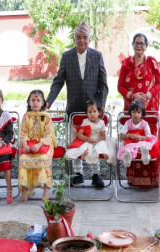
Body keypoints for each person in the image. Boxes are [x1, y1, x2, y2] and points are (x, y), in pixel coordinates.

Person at [46, 21, 109, 187]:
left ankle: (96, 174)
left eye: (85, 37)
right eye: (79, 37)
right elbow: (59, 80)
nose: (82, 40)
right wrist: (49, 101)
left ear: (89, 39)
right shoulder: (67, 56)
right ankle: (78, 173)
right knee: (75, 141)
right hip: (74, 107)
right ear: (74, 39)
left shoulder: (97, 55)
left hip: (92, 109)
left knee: (94, 139)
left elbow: (103, 83)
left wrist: (101, 103)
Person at [65, 99, 115, 187]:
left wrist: (98, 140)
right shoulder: (85, 122)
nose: (92, 114)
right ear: (87, 113)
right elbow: (80, 134)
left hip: (98, 141)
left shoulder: (102, 123)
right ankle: (84, 156)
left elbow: (103, 136)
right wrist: (87, 139)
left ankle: (96, 173)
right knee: (85, 147)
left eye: (94, 111)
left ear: (99, 112)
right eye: (89, 112)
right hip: (88, 140)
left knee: (100, 147)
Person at [18, 90, 57, 202]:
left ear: (42, 103)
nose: (35, 103)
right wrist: (25, 145)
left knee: (43, 159)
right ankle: (25, 190)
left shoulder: (46, 117)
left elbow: (48, 135)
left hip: (44, 144)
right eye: (33, 100)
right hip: (29, 145)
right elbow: (23, 133)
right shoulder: (26, 117)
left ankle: (45, 191)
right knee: (24, 159)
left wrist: (39, 145)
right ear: (29, 102)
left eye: (38, 100)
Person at [117, 33, 160, 112]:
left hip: (149, 106)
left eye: (142, 43)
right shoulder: (126, 63)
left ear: (146, 47)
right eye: (136, 43)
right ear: (132, 45)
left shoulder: (152, 62)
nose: (139, 46)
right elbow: (120, 87)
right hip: (132, 108)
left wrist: (148, 95)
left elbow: (159, 83)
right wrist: (133, 96)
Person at [117, 100, 156, 168]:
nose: (136, 115)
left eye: (138, 112)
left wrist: (141, 138)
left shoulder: (144, 124)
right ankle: (128, 155)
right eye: (134, 112)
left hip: (141, 140)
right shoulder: (128, 123)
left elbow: (148, 136)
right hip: (130, 141)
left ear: (142, 114)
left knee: (144, 145)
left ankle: (145, 154)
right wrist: (129, 135)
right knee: (129, 148)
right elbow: (121, 135)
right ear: (130, 113)